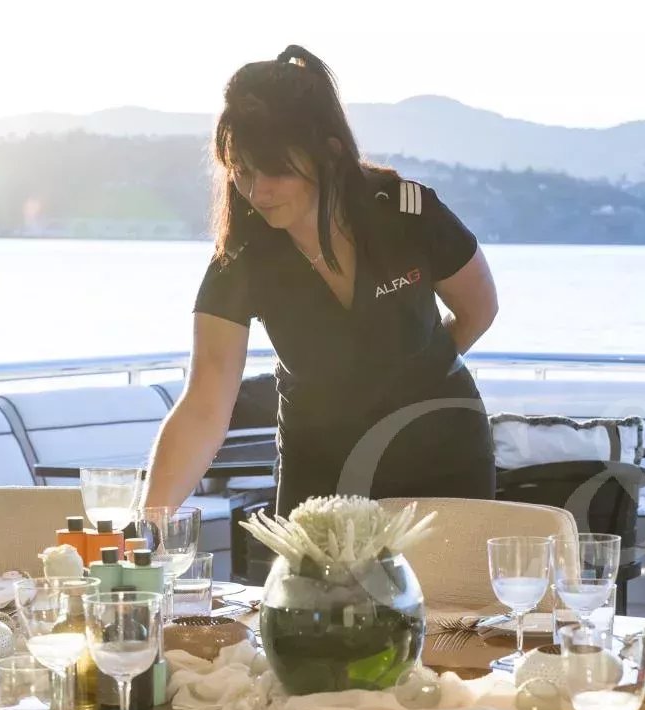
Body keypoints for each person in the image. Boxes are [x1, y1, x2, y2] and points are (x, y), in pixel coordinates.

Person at [142, 45, 499, 517]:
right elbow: (204, 405)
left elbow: (479, 310)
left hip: (442, 455)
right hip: (321, 473)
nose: (258, 191)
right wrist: (147, 524)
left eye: (276, 170)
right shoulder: (241, 257)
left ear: (329, 153)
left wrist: (410, 375)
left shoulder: (407, 213)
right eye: (243, 172)